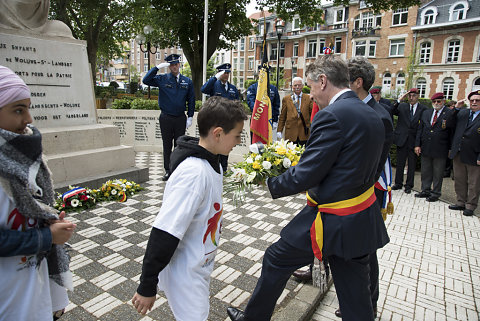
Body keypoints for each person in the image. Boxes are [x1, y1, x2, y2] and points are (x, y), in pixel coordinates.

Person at [227, 55, 389, 321]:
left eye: (311, 88)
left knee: (276, 258)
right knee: (356, 299)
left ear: (323, 81)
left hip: (333, 221)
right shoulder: (374, 114)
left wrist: (267, 181)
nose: (311, 96)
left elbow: (308, 173)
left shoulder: (332, 116)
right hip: (361, 219)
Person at [132, 96, 247, 320]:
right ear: (218, 133)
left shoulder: (213, 162)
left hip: (198, 264)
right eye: (237, 135)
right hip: (184, 271)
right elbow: (165, 231)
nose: (238, 141)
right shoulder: (194, 174)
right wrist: (147, 284)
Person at [0, 65, 76, 320]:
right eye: (19, 110)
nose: (29, 119)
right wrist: (46, 237)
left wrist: (46, 217)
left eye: (28, 108)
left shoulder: (28, 160)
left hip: (32, 292)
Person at [143, 53, 195, 181]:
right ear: (168, 66)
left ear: (179, 65)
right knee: (167, 145)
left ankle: (177, 169)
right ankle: (168, 170)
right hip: (166, 117)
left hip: (180, 118)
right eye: (171, 65)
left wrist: (190, 116)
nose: (174, 67)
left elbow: (191, 100)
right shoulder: (162, 79)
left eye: (176, 64)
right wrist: (157, 68)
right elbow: (146, 80)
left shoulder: (187, 81)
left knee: (179, 146)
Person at [414, 92, 456, 202]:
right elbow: (420, 129)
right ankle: (425, 190)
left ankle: (436, 193)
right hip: (426, 146)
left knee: (438, 172)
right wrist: (417, 144)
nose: (436, 103)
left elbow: (452, 132)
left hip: (441, 148)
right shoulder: (426, 113)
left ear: (443, 101)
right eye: (434, 101)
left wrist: (451, 148)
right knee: (426, 170)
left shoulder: (449, 113)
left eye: (438, 101)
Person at [201, 63, 240, 172]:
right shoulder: (213, 85)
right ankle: (214, 167)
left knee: (226, 144)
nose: (227, 75)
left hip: (228, 122)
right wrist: (215, 78)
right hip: (215, 121)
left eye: (228, 73)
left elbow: (237, 103)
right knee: (215, 144)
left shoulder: (232, 88)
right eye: (224, 73)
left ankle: (224, 168)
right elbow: (203, 89)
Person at [448, 91, 480, 216]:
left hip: (474, 154)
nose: (474, 102)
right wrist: (456, 109)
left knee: (474, 182)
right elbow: (449, 124)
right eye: (472, 100)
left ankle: (470, 206)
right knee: (459, 179)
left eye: (477, 100)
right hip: (459, 152)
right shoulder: (463, 113)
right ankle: (460, 202)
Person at [391, 88, 427, 194]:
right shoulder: (402, 106)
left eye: (414, 95)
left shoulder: (423, 109)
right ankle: (398, 183)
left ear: (418, 96)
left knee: (412, 164)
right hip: (402, 138)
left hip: (414, 140)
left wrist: (418, 143)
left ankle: (409, 185)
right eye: (410, 96)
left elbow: (422, 126)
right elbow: (391, 111)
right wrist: (399, 100)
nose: (411, 98)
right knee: (400, 163)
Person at [276, 77, 313, 145]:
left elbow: (313, 114)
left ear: (302, 86)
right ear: (292, 86)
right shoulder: (286, 99)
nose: (297, 87)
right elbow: (282, 116)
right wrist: (279, 130)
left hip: (304, 133)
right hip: (290, 133)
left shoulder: (308, 98)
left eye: (299, 85)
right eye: (295, 85)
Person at [246, 67, 280, 137]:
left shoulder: (273, 88)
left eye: (267, 73)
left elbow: (276, 105)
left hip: (269, 120)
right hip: (257, 119)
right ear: (259, 73)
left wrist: (275, 120)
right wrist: (262, 112)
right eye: (262, 73)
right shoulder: (253, 88)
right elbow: (251, 102)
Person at [444, 100, 457, 177]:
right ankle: (446, 171)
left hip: (454, 138)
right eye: (452, 106)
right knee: (447, 157)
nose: (453, 108)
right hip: (448, 137)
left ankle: (452, 172)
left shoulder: (457, 115)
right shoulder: (447, 114)